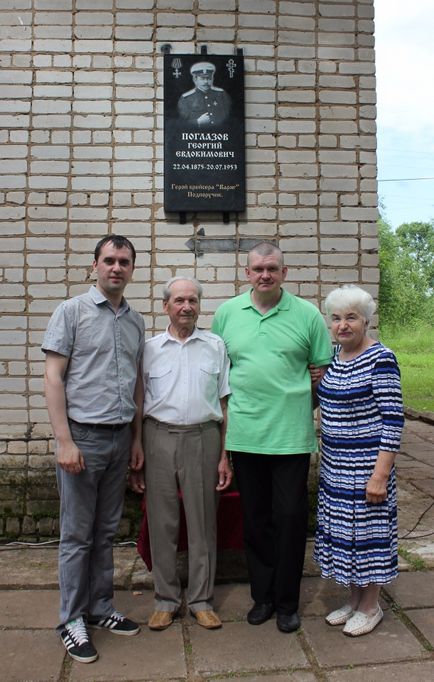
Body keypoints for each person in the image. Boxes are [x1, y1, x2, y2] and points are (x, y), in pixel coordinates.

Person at [211, 242, 332, 633]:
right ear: (247, 273)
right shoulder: (227, 314)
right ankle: (262, 597)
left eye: (273, 269)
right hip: (245, 437)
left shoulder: (307, 315)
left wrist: (302, 401)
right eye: (258, 269)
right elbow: (219, 374)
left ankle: (287, 602)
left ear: (285, 272)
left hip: (291, 437)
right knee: (255, 520)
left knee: (292, 519)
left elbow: (324, 371)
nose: (265, 275)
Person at [42, 235, 145, 664]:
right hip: (82, 438)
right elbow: (53, 378)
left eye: (124, 261)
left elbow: (138, 385)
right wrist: (64, 440)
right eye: (109, 260)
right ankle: (71, 619)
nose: (116, 268)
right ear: (94, 265)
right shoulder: (72, 312)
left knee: (105, 533)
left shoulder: (135, 321)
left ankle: (101, 608)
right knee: (77, 536)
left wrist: (137, 439)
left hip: (121, 437)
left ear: (131, 268)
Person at [131, 276, 232, 631]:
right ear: (165, 306)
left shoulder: (215, 345)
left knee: (203, 522)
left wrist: (224, 455)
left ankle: (202, 600)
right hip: (157, 435)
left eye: (192, 300)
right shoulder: (149, 348)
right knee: (162, 522)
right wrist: (137, 445)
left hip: (203, 438)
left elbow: (224, 401)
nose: (186, 306)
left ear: (199, 305)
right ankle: (166, 600)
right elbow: (140, 399)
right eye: (178, 301)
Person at [313, 285, 404, 637]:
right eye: (336, 318)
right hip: (336, 469)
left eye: (351, 317)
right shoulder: (336, 356)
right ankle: (353, 599)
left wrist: (380, 475)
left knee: (369, 537)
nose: (342, 325)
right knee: (345, 536)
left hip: (367, 468)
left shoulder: (381, 358)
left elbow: (393, 419)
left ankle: (371, 606)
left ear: (366, 321)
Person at [177, 61, 231, 127]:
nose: (206, 82)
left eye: (209, 78)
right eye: (202, 78)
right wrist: (197, 122)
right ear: (195, 79)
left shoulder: (221, 95)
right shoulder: (186, 99)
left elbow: (229, 118)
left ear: (212, 79)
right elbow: (181, 124)